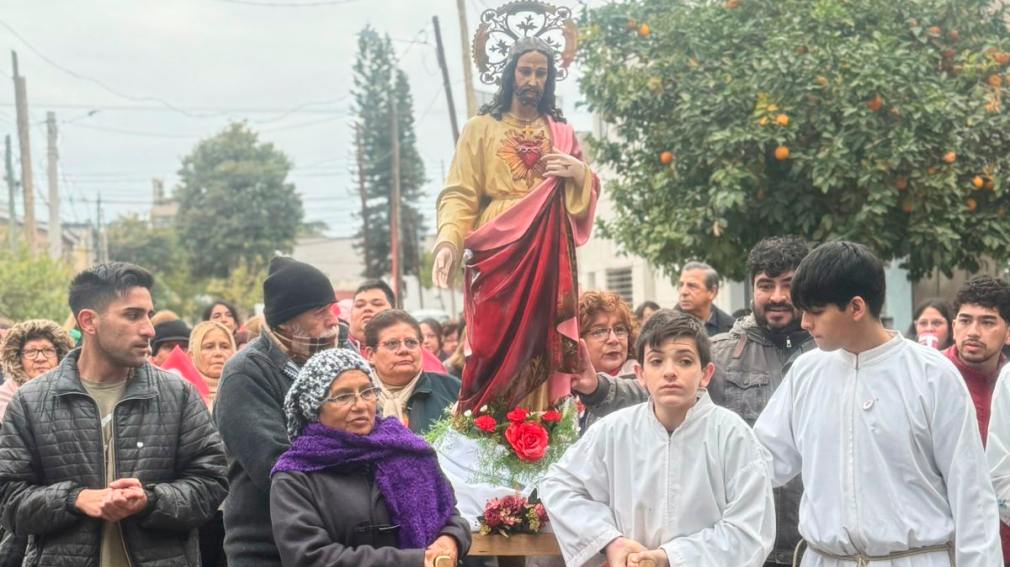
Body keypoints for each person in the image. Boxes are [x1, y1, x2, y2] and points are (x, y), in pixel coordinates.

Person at [754, 241, 1002, 565]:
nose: (804, 324)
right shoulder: (806, 372)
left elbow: (971, 493)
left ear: (857, 307)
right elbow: (760, 461)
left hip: (914, 558)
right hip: (824, 558)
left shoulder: (933, 375)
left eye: (816, 312)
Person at [0, 262, 228, 567]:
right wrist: (74, 499)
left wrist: (150, 500)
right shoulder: (32, 402)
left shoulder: (179, 395)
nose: (149, 329)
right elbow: (9, 499)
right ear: (89, 321)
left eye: (148, 314)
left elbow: (211, 483)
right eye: (132, 315)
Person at [431, 35, 599, 413]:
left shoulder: (561, 132)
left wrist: (579, 173)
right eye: (526, 70)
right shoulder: (481, 128)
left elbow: (582, 196)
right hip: (498, 249)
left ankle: (541, 420)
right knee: (490, 344)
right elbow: (460, 192)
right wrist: (448, 242)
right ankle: (489, 422)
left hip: (547, 247)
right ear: (509, 73)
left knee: (542, 338)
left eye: (541, 73)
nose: (533, 80)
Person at [540, 312, 775, 567]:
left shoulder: (733, 436)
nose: (670, 372)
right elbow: (558, 486)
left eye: (684, 361)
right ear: (640, 374)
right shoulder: (613, 431)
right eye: (657, 361)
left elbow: (750, 530)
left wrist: (670, 557)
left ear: (706, 374)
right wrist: (610, 541)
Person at [269, 348, 471, 567]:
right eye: (344, 396)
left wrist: (451, 541)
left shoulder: (406, 450)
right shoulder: (295, 475)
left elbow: (449, 514)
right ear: (314, 408)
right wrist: (414, 561)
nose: (361, 405)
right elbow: (309, 557)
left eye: (367, 392)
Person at [214, 256, 341, 567]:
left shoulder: (342, 354)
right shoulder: (244, 374)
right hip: (266, 550)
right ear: (287, 322)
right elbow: (277, 468)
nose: (333, 319)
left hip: (341, 544)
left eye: (332, 308)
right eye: (320, 312)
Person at [703, 235, 814, 567]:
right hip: (741, 545)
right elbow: (662, 395)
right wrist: (598, 389)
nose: (777, 297)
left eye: (788, 285)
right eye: (766, 285)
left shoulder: (831, 354)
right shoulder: (717, 354)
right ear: (752, 288)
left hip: (814, 548)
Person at [943, 276, 1010, 560]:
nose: (972, 331)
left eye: (987, 322)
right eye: (965, 320)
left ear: (1008, 332)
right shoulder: (930, 379)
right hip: (944, 544)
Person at [188, 320, 237, 567]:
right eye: (208, 346)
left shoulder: (246, 392)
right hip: (201, 510)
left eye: (224, 345)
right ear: (192, 353)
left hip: (237, 507)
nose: (218, 352)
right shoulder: (184, 397)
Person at [365, 310, 461, 435]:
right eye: (392, 344)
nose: (404, 350)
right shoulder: (358, 397)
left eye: (411, 342)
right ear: (371, 355)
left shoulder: (452, 390)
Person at [348, 279, 446, 374]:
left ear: (393, 310)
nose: (367, 308)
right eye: (360, 305)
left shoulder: (423, 360)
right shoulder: (336, 350)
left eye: (377, 304)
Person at [0, 319, 76, 419]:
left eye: (48, 350)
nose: (40, 358)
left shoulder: (75, 389)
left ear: (60, 355)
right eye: (31, 351)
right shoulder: (5, 395)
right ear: (18, 358)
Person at [579, 291, 637, 377]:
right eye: (599, 331)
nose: (613, 340)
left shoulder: (643, 380)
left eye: (619, 329)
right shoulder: (563, 386)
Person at [677, 261, 734, 336]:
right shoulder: (664, 326)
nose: (683, 292)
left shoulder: (733, 329)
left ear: (712, 292)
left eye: (692, 286)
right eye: (681, 285)